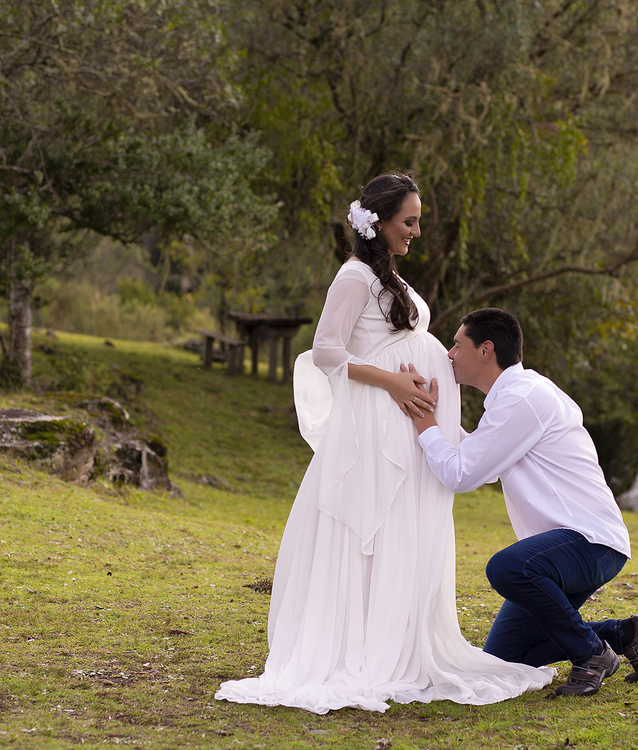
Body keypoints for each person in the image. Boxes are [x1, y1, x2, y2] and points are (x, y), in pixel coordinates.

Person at [215, 176, 555, 714]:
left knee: (404, 529)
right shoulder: (352, 277)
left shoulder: (388, 276)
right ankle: (361, 650)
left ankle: (397, 642)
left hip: (405, 422)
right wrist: (394, 381)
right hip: (376, 422)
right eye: (409, 221)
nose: (417, 232)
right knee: (369, 526)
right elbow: (326, 351)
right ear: (378, 220)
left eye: (418, 222)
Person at [407, 308, 638, 697]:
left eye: (457, 344)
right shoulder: (517, 396)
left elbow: (462, 475)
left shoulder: (523, 399)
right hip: (568, 549)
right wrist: (434, 416)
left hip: (588, 541)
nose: (450, 354)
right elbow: (482, 463)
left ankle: (593, 655)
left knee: (507, 568)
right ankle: (623, 633)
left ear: (486, 349)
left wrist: (425, 427)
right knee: (503, 660)